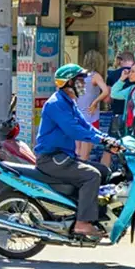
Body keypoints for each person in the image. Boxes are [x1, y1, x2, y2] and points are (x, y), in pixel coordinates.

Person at [34, 64, 121, 239]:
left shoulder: (69, 103)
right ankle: (82, 223)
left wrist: (108, 139)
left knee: (105, 171)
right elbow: (73, 130)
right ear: (68, 83)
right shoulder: (56, 104)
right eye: (80, 81)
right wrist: (101, 140)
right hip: (52, 159)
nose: (83, 84)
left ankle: (93, 216)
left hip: (64, 157)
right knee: (91, 175)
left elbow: (86, 126)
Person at [74, 51, 111, 161]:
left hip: (78, 116)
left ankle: (75, 171)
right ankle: (82, 174)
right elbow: (105, 91)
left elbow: (77, 95)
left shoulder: (79, 75)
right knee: (85, 153)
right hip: (90, 117)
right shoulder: (95, 76)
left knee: (78, 150)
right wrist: (95, 102)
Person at [102, 51, 135, 167]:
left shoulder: (112, 75)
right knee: (133, 148)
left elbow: (108, 99)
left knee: (110, 148)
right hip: (134, 118)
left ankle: (104, 173)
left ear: (121, 61)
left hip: (118, 115)